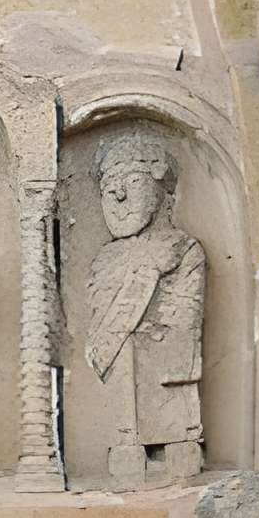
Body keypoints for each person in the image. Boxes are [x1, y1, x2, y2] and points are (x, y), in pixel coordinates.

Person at [86, 134, 204, 484]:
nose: (117, 195)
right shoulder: (105, 258)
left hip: (167, 371)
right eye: (109, 186)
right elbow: (97, 325)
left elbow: (186, 319)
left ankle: (177, 450)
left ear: (160, 190)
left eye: (132, 181)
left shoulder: (183, 249)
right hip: (121, 385)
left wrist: (149, 273)